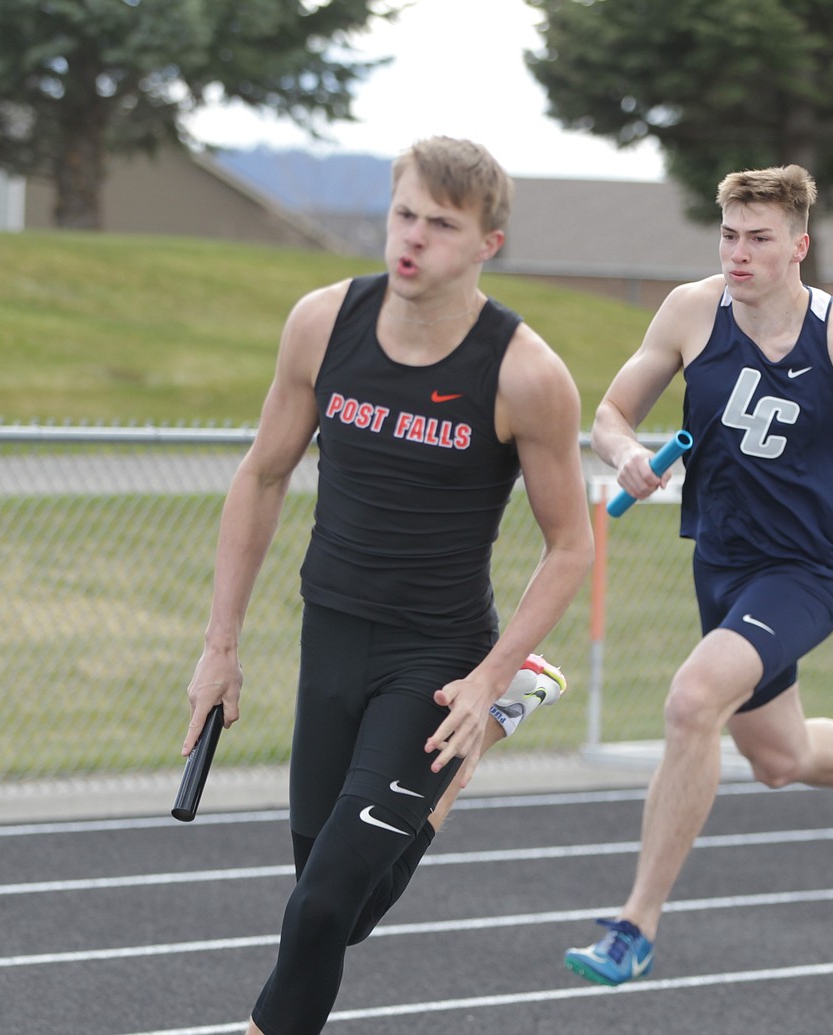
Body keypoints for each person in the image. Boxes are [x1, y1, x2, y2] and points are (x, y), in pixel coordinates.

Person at [180, 136, 594, 1033]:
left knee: (322, 909)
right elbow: (260, 475)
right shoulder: (323, 323)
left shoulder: (525, 373)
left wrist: (487, 678)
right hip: (329, 639)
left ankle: (499, 704)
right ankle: (456, 772)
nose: (412, 240)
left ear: (488, 243)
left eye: (441, 226)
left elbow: (571, 546)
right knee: (336, 910)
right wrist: (220, 648)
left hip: (438, 660)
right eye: (404, 214)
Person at [564, 165, 833, 987]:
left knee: (691, 698)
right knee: (779, 757)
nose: (739, 254)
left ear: (799, 246)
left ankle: (634, 925)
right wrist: (628, 457)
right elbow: (610, 416)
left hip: (807, 569)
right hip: (721, 565)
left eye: (758, 239)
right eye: (728, 236)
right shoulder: (690, 311)